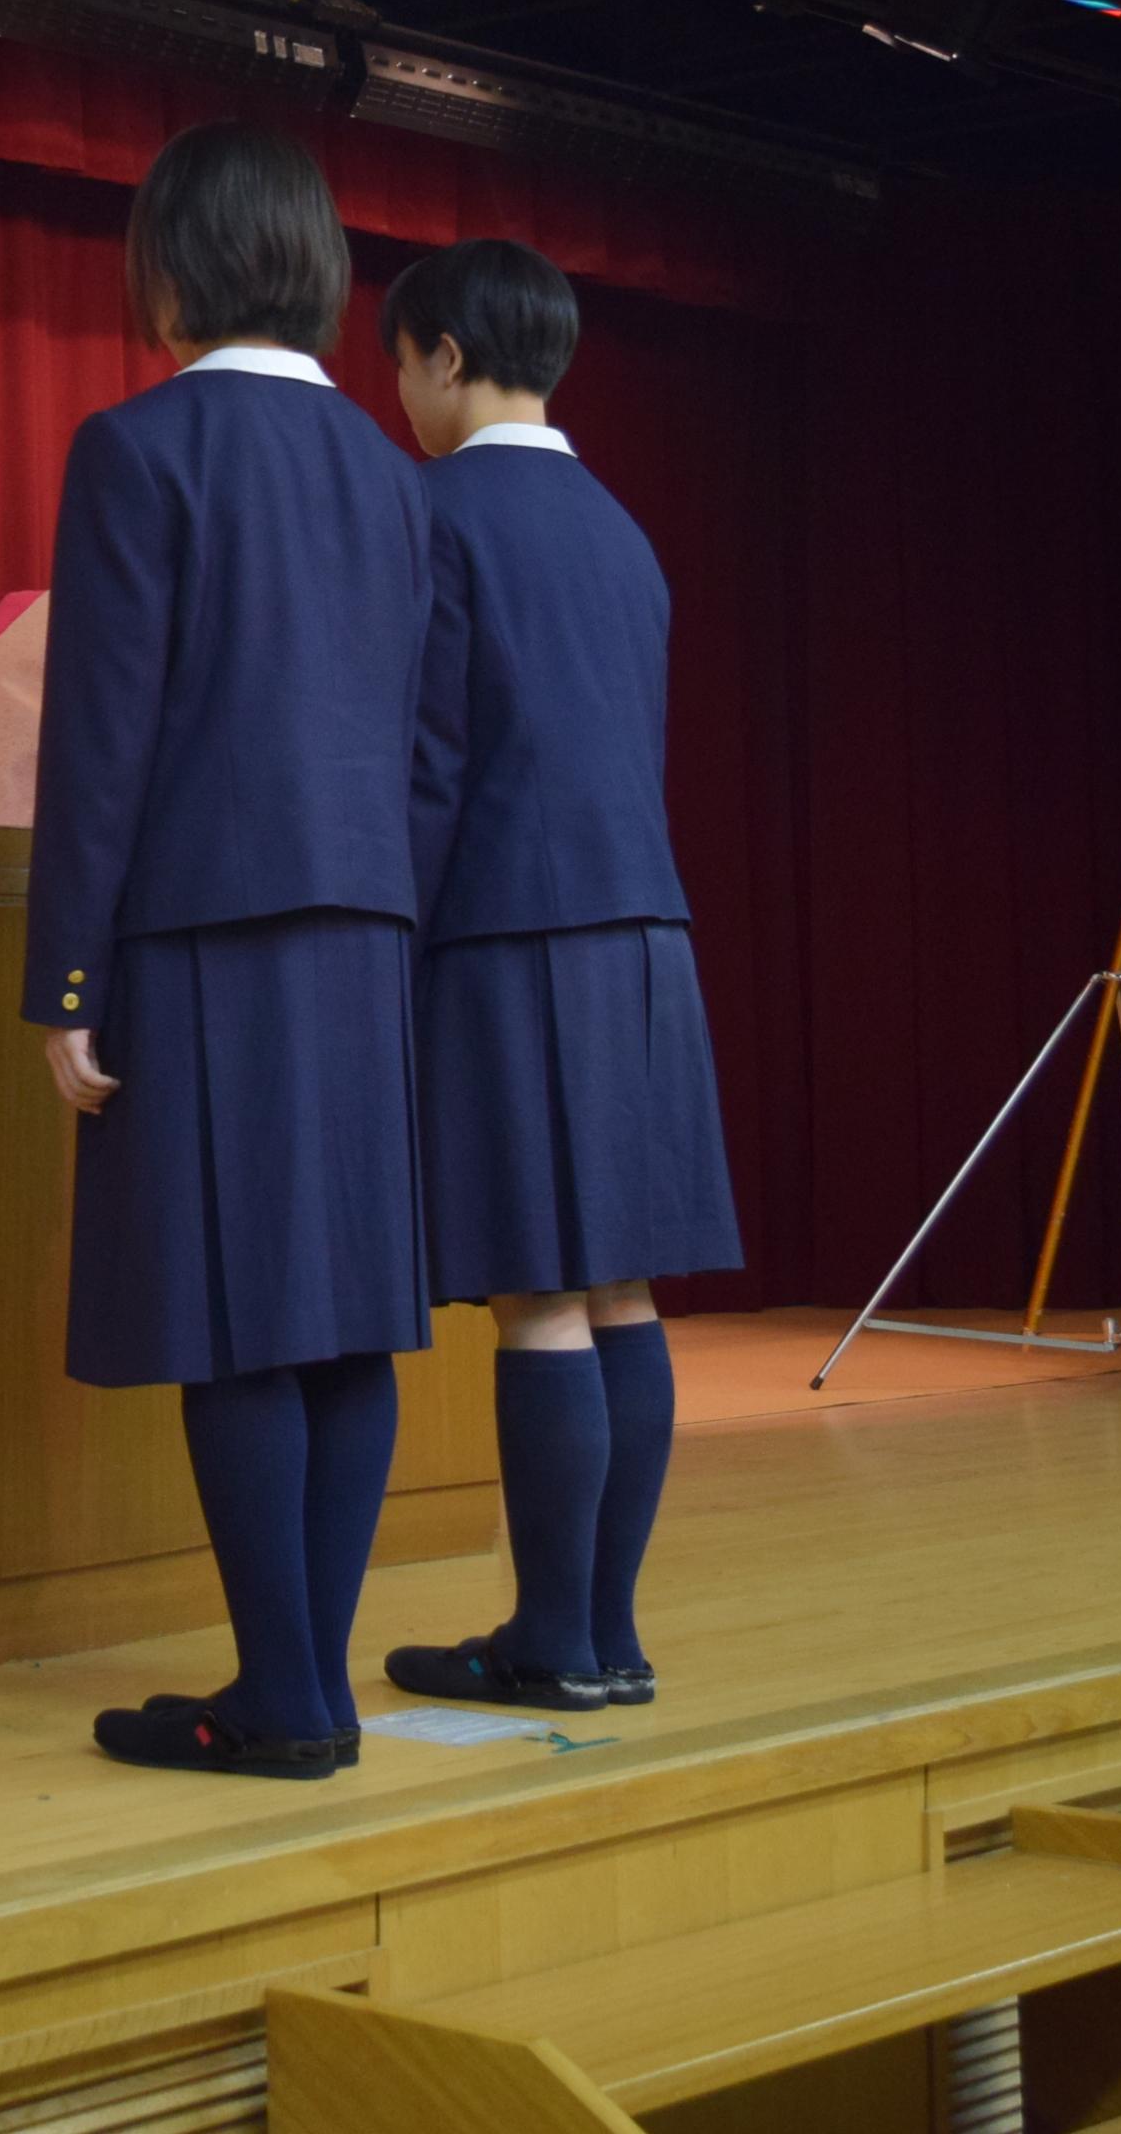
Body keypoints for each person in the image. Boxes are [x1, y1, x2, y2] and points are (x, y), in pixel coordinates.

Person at [26, 121, 434, 1780]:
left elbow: (100, 739)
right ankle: (305, 1685)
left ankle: (286, 1697)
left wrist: (67, 981)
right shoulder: (394, 475)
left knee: (238, 1313)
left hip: (205, 934)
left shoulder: (141, 446)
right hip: (367, 936)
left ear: (173, 265)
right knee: (346, 1317)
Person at [377, 237, 739, 1716]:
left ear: (447, 356)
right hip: (645, 937)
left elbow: (428, 767)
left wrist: (381, 937)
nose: (398, 397)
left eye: (402, 365)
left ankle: (547, 1640)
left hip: (510, 936)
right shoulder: (620, 527)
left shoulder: (432, 513)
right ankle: (607, 1637)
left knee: (536, 1298)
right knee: (622, 1292)